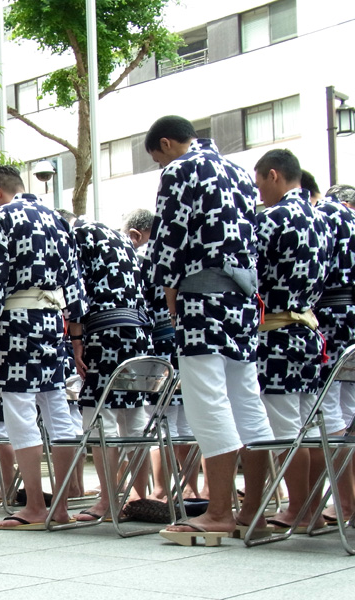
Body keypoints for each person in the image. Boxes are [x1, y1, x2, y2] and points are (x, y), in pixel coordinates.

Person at [145, 116, 274, 544]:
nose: (160, 165)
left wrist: (168, 291)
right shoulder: (238, 171)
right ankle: (254, 509)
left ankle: (219, 512)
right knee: (246, 400)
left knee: (208, 401)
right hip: (241, 298)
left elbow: (167, 239)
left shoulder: (180, 169)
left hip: (202, 296)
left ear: (167, 144)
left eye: (157, 157)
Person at [0, 165, 88, 530]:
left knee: (19, 408)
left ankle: (34, 505)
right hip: (52, 321)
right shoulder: (56, 219)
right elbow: (74, 282)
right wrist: (76, 339)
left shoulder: (3, 217)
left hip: (15, 321)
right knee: (57, 408)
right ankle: (60, 506)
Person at [254, 151, 332, 531]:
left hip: (277, 333)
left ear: (274, 176)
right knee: (307, 426)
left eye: (260, 186)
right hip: (308, 331)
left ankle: (300, 509)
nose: (260, 194)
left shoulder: (269, 219)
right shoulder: (322, 221)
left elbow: (249, 273)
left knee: (284, 428)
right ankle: (312, 507)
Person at [70, 218, 153, 522]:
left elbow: (76, 293)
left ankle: (107, 501)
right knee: (134, 415)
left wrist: (76, 341)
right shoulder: (124, 244)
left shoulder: (76, 238)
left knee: (97, 414)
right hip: (138, 334)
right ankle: (139, 496)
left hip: (105, 333)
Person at [122, 209, 199, 502]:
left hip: (159, 346)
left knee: (157, 418)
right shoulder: (177, 254)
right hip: (185, 341)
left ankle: (161, 488)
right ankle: (190, 487)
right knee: (184, 419)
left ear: (136, 235)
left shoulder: (142, 260)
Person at [303, 170, 355, 524]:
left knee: (330, 412)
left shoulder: (324, 215)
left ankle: (344, 502)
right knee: (349, 410)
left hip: (332, 317)